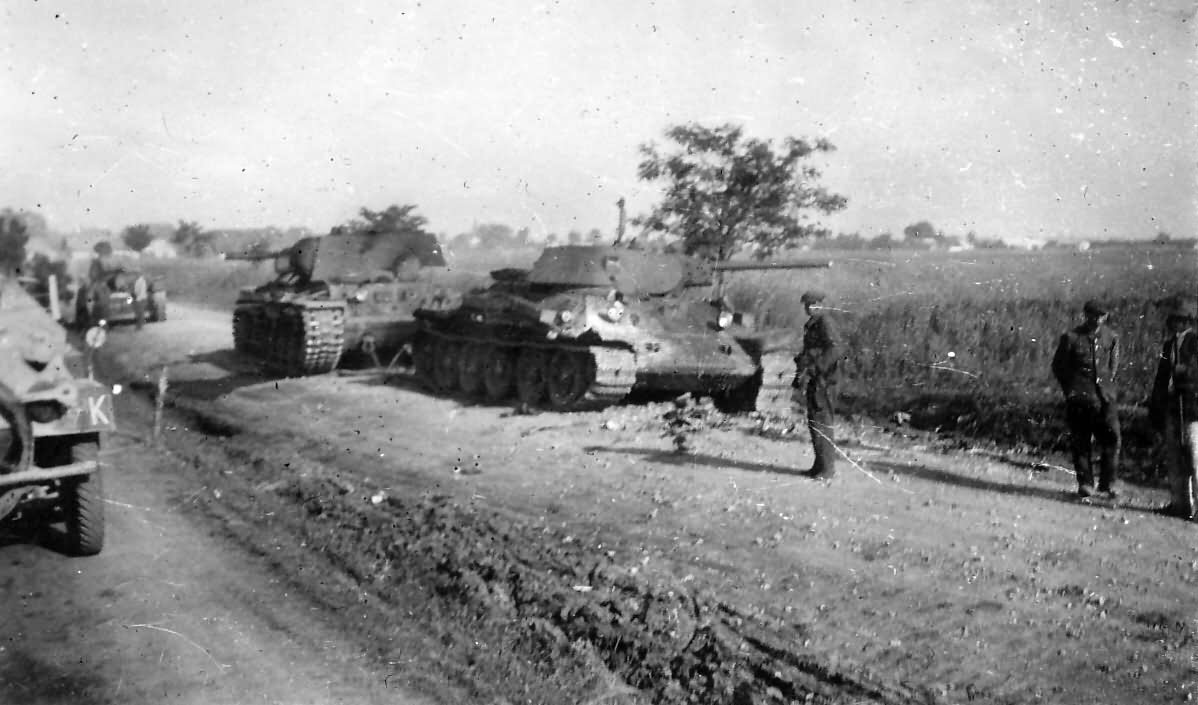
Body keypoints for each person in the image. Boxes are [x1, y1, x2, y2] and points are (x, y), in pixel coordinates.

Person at [1051, 300, 1121, 499]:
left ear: (1106, 316)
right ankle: (1086, 484)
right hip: (1080, 398)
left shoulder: (1112, 337)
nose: (1097, 319)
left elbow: (1112, 368)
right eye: (1093, 315)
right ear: (1086, 315)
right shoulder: (1071, 338)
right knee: (1081, 441)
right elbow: (1059, 367)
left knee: (1112, 438)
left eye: (1102, 315)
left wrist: (1107, 388)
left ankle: (1108, 484)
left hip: (1105, 398)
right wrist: (1071, 391)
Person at [1147, 296, 1198, 520]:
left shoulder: (1196, 342)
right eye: (1174, 320)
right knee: (1175, 458)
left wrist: (1184, 372)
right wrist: (1156, 402)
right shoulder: (1168, 345)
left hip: (1191, 408)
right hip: (1171, 407)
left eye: (1181, 319)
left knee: (1196, 458)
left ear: (1189, 321)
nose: (1177, 324)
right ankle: (1180, 505)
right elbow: (1161, 376)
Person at [792, 289, 841, 479]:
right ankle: (819, 465)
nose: (810, 308)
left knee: (822, 422)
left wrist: (816, 367)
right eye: (807, 305)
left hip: (825, 380)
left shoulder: (825, 322)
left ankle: (827, 469)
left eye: (814, 305)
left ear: (822, 305)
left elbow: (836, 349)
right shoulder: (814, 323)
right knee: (815, 421)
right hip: (817, 378)